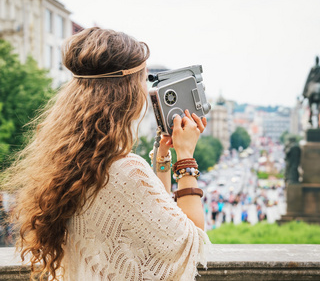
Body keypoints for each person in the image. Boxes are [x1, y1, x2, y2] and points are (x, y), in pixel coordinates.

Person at [6, 27, 210, 280]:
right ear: (127, 91)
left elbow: (158, 216)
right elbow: (191, 239)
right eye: (143, 79)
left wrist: (163, 157)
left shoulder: (73, 160)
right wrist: (186, 156)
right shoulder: (124, 169)